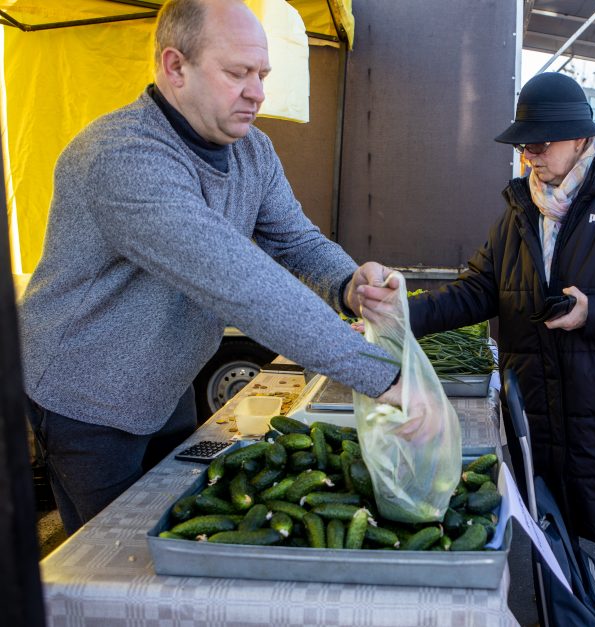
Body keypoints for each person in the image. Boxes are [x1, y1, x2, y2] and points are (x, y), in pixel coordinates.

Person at [17, 0, 405, 535]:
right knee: (115, 554)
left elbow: (294, 240)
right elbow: (239, 281)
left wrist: (348, 283)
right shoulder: (121, 156)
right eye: (237, 73)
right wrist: (382, 375)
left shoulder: (253, 150)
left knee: (178, 522)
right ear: (175, 67)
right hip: (86, 397)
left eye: (263, 74)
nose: (258, 92)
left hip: (165, 379)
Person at [362, 72, 595, 626]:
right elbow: (479, 289)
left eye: (541, 144)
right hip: (543, 416)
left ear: (579, 138)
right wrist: (402, 309)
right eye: (524, 146)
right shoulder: (521, 209)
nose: (530, 157)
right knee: (553, 552)